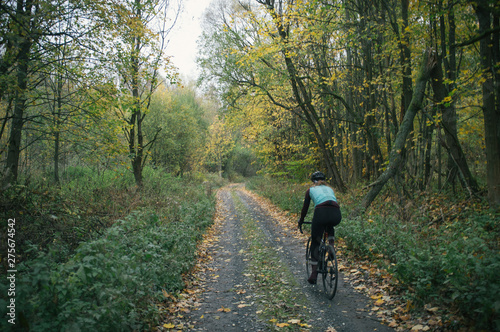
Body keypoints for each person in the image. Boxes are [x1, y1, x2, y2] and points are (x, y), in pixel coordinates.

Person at [298, 171, 342, 284]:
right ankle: (331, 245)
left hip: (321, 212)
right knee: (330, 224)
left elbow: (305, 208)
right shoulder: (330, 189)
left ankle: (313, 274)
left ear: (313, 181)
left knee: (315, 242)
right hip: (336, 213)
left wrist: (301, 220)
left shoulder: (310, 190)